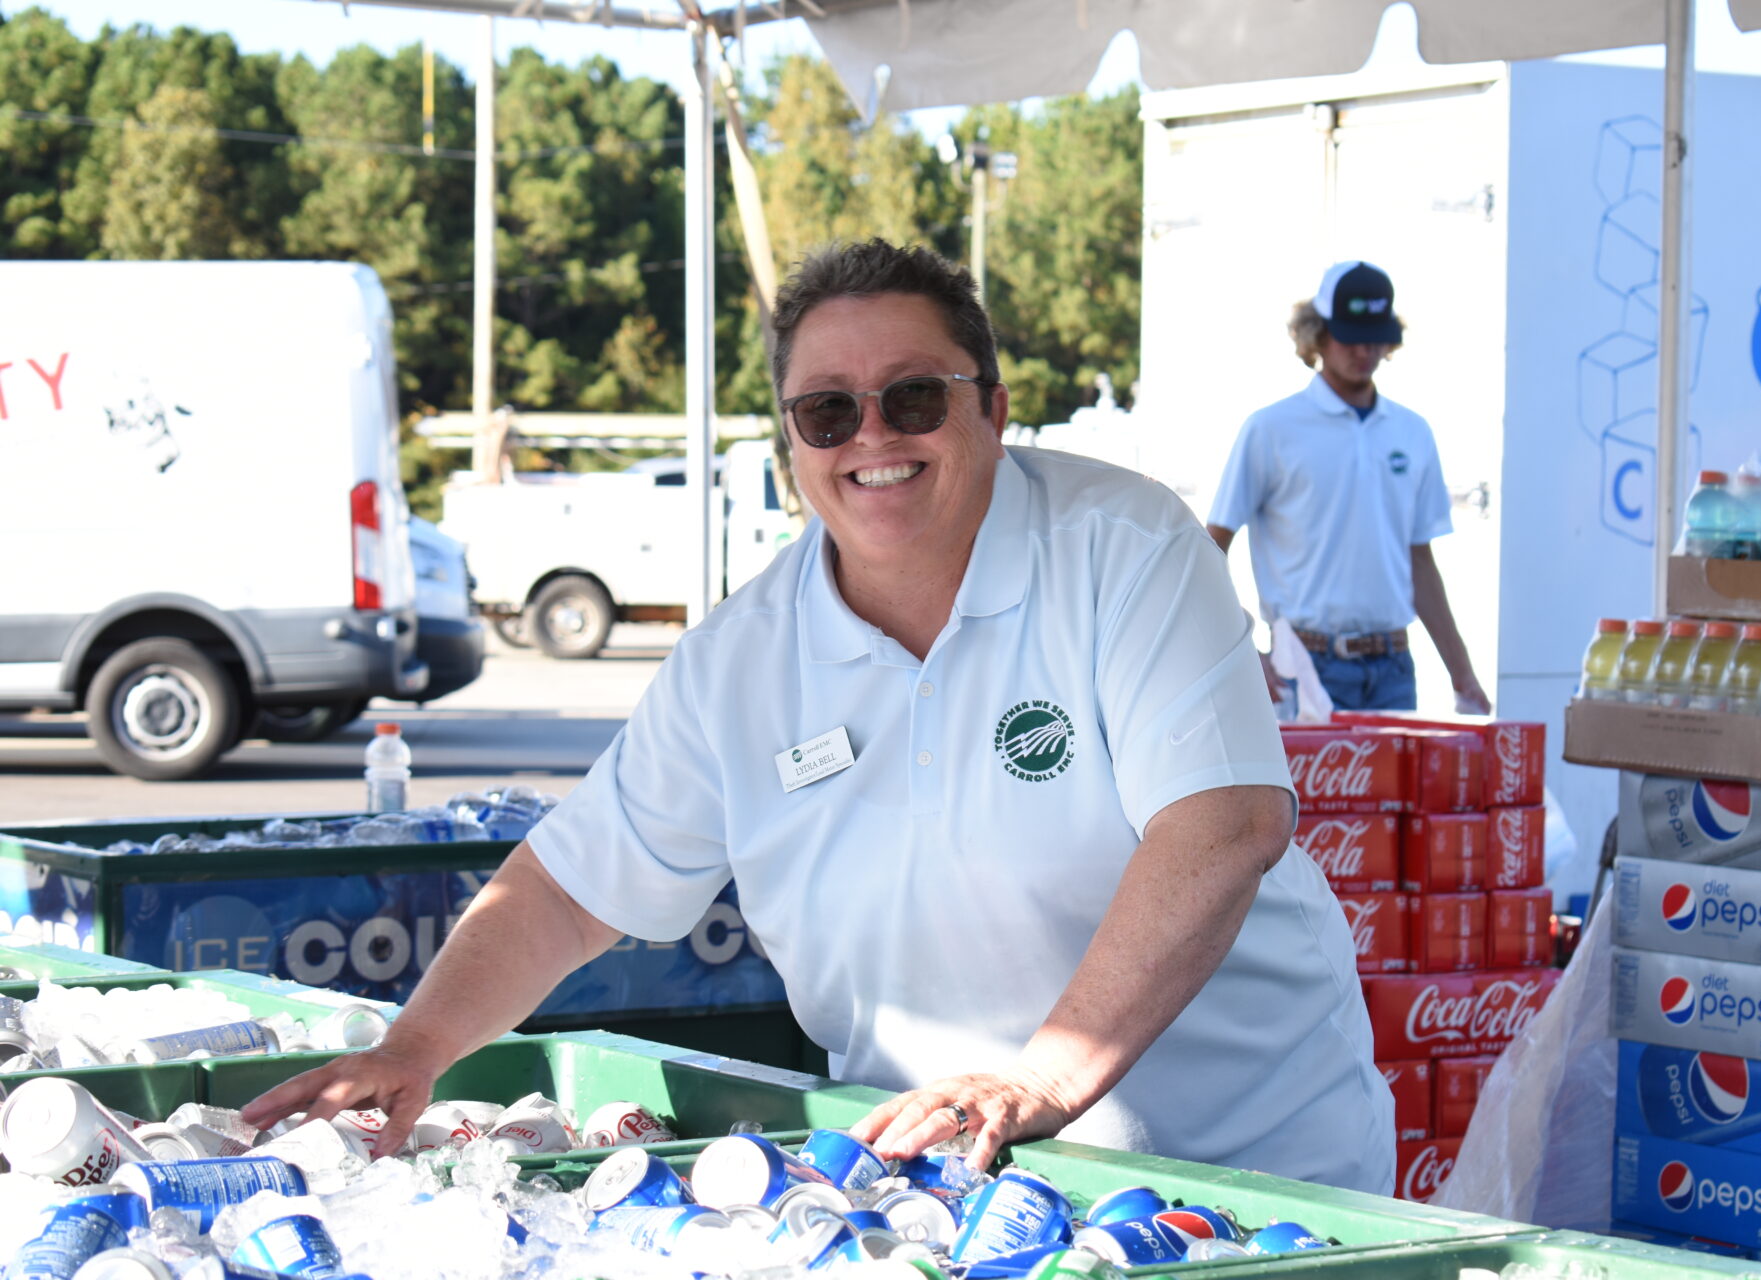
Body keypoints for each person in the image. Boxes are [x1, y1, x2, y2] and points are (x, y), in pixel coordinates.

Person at [244, 240, 1393, 1195]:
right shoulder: (738, 662)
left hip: (1255, 1177)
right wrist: (418, 1045)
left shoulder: (1127, 547)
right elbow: (562, 888)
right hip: (951, 1186)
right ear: (793, 439)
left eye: (912, 398)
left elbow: (1222, 825)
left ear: (991, 405)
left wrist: (1044, 1077)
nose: (873, 439)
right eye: (829, 410)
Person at [1206, 261, 1490, 715]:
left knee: (1395, 791)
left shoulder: (1412, 431)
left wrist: (1464, 676)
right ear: (1317, 334)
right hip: (1304, 664)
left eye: (1376, 335)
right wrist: (1243, 652)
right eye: (1351, 335)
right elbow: (1209, 548)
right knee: (1307, 791)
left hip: (1395, 666)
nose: (1365, 349)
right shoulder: (1271, 428)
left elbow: (1420, 562)